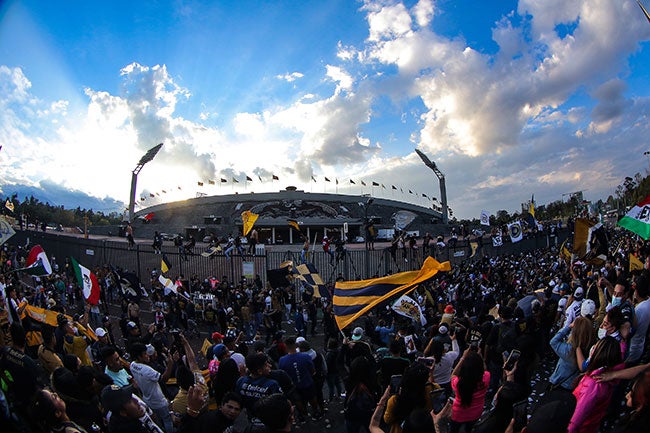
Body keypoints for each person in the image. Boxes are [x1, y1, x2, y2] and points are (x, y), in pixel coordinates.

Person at [568, 336, 625, 433]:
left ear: (599, 353)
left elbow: (576, 419)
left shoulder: (593, 384)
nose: (592, 347)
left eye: (595, 347)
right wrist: (624, 340)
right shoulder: (609, 375)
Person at [129, 343, 179, 433]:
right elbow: (164, 378)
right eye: (144, 354)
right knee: (167, 420)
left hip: (147, 399)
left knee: (157, 420)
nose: (147, 355)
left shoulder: (132, 365)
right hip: (159, 401)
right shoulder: (148, 370)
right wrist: (170, 364)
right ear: (139, 357)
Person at [383, 363, 438, 433]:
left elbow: (387, 419)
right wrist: (431, 374)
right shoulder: (432, 391)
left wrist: (382, 401)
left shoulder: (395, 399)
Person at [549, 316, 595, 392]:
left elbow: (553, 342)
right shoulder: (590, 348)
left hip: (560, 383)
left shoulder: (569, 350)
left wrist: (569, 327)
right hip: (573, 385)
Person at [449, 349, 490, 433]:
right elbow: (485, 370)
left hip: (458, 413)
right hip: (476, 412)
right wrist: (480, 357)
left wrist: (463, 358)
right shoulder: (486, 378)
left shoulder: (458, 383)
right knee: (470, 429)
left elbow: (453, 374)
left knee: (454, 430)